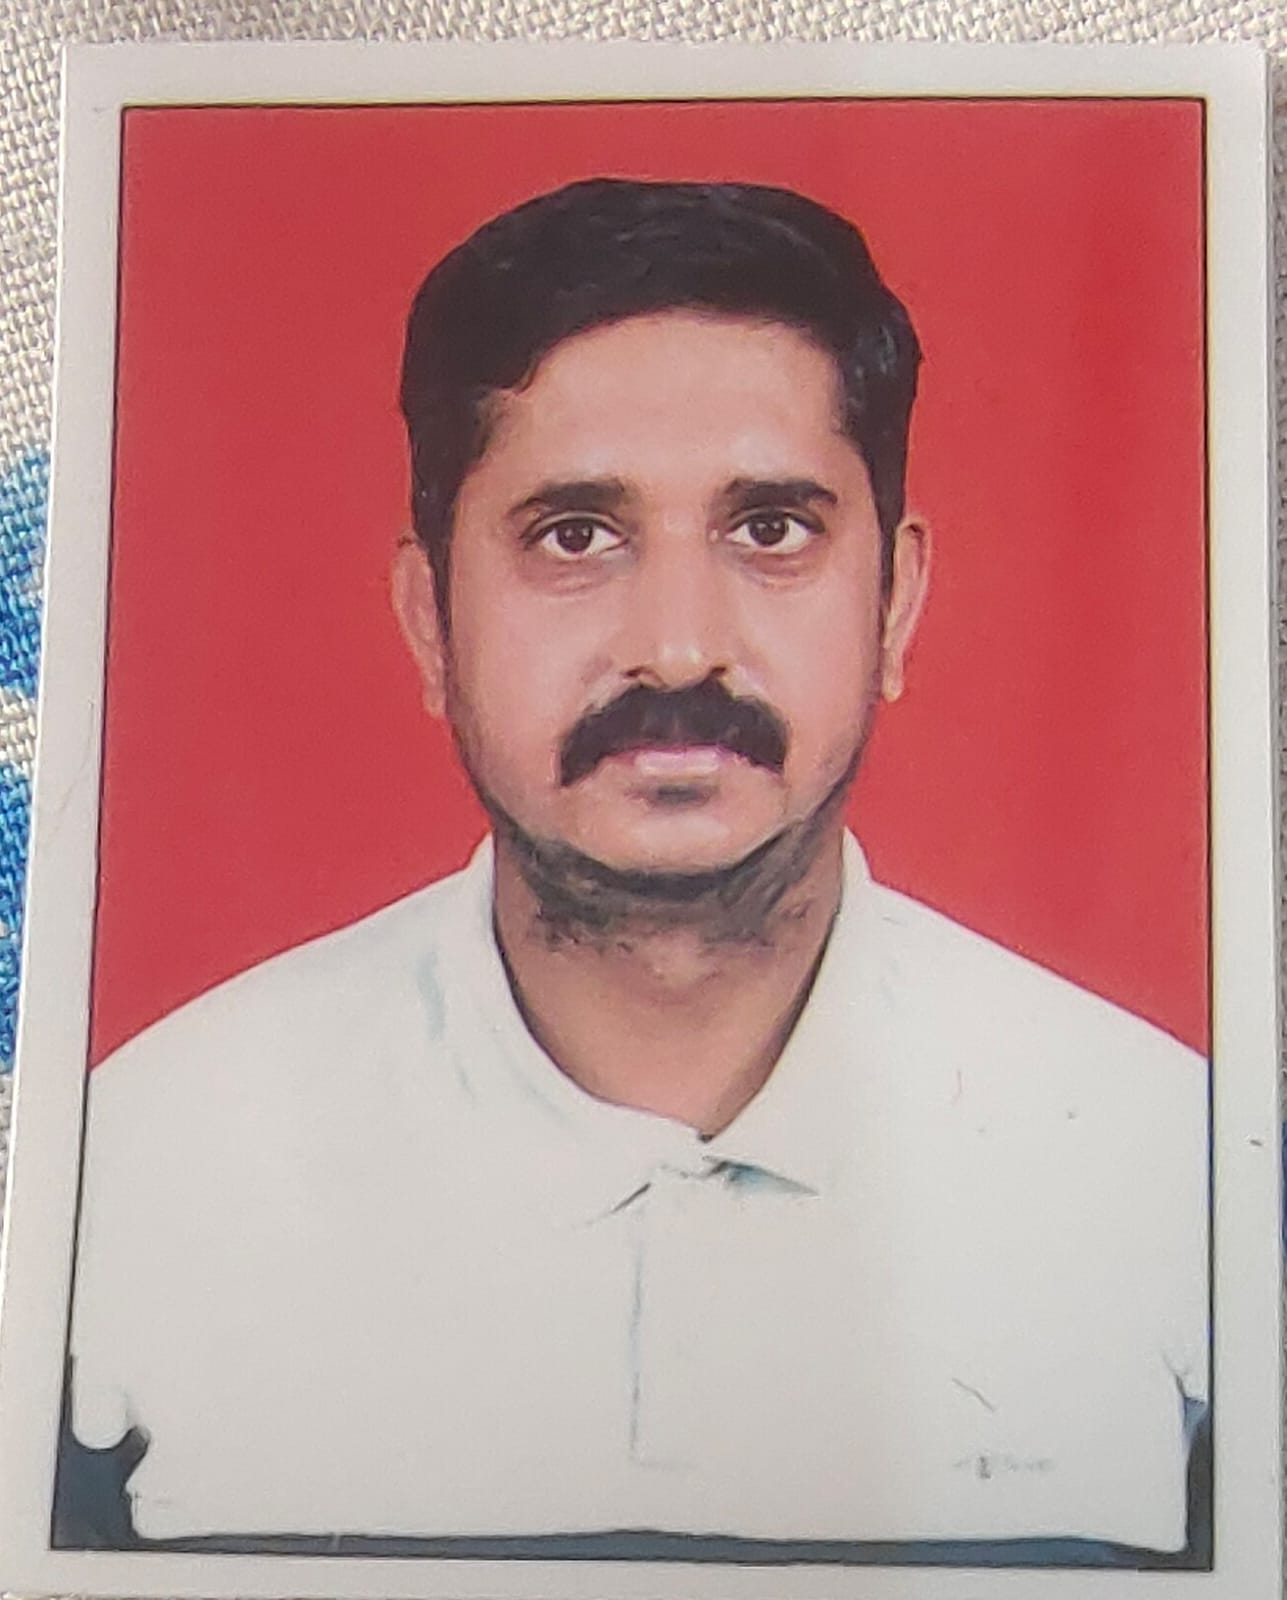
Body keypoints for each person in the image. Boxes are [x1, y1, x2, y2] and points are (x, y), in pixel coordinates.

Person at [59, 179, 1209, 1566]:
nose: (676, 647)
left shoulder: (1179, 1187)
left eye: (770, 529)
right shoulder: (133, 1181)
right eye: (574, 536)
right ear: (429, 619)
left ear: (896, 603)